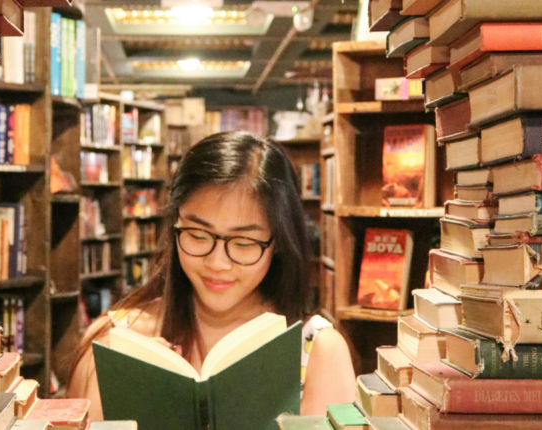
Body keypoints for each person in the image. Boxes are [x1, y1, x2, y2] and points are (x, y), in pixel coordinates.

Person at [68, 131, 356, 419]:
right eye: (198, 235)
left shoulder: (319, 352)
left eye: (244, 243)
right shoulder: (115, 339)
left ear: (279, 242)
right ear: (175, 225)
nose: (217, 263)